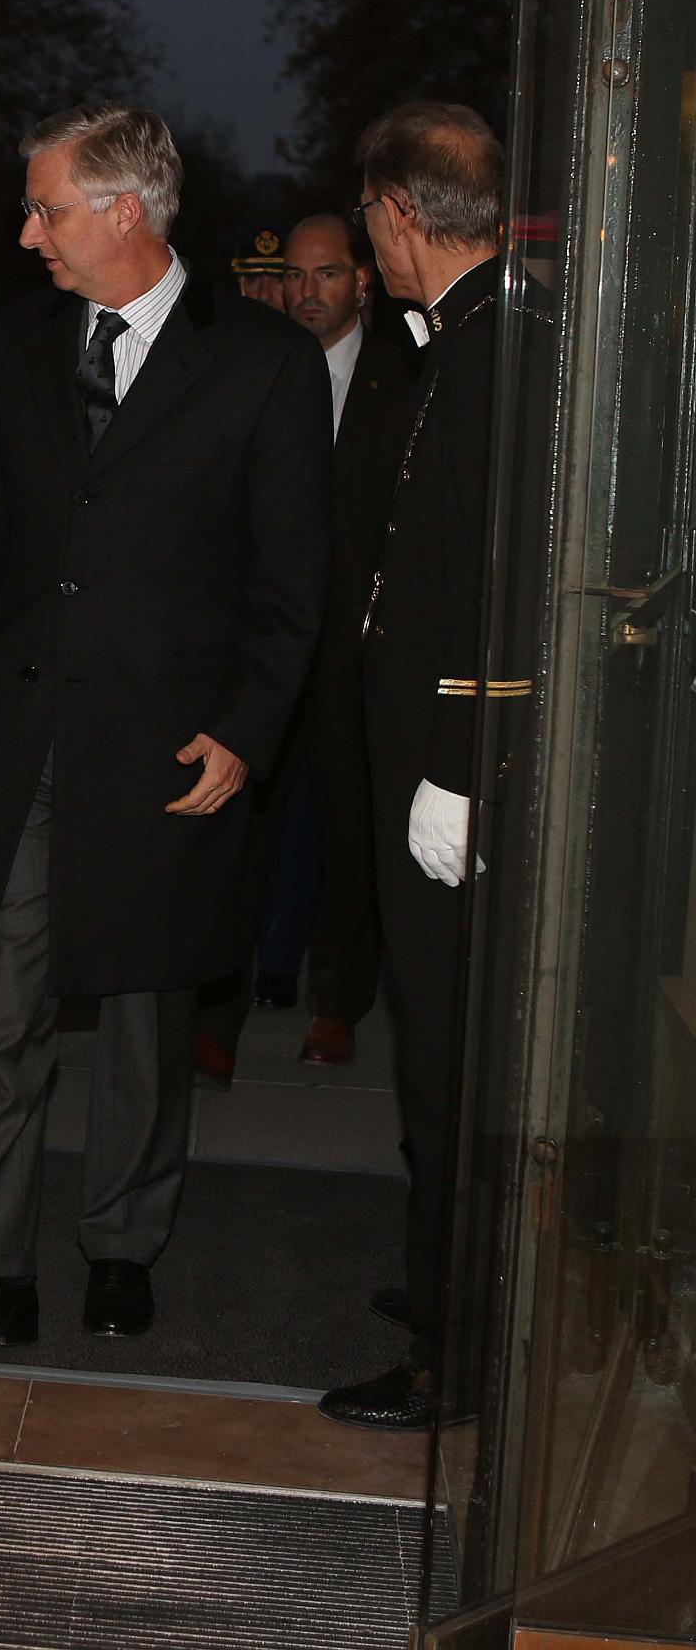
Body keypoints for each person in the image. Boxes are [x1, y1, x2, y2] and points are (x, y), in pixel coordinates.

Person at [0, 102, 331, 1357]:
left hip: (165, 746)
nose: (24, 234)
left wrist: (245, 730)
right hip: (26, 728)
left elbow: (288, 583)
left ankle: (122, 1243)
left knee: (142, 1016)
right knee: (0, 998)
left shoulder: (257, 361)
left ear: (123, 213)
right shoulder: (21, 345)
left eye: (45, 209)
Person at [320, 103, 523, 1431]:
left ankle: (458, 1352)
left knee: (452, 1067)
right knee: (434, 1061)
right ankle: (447, 1288)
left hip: (461, 775)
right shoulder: (465, 342)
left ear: (398, 213)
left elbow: (497, 584)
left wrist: (456, 759)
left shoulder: (498, 352)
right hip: (430, 760)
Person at [193, 213, 413, 1084]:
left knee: (352, 830)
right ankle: (216, 1014)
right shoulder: (255, 363)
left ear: (360, 279)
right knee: (240, 826)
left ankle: (335, 1005)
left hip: (356, 648)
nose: (307, 290)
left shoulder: (400, 375)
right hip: (263, 643)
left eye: (326, 274)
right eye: (295, 274)